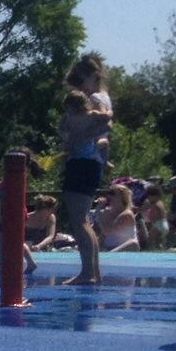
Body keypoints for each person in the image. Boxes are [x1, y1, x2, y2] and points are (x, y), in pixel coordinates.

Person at [58, 88, 113, 284]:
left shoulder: (70, 118)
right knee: (83, 222)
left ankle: (87, 273)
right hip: (91, 167)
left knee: (78, 221)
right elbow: (108, 119)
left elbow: (65, 136)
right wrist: (91, 132)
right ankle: (93, 273)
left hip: (80, 166)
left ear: (70, 106)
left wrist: (81, 136)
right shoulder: (92, 116)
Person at [96, 184, 140, 252]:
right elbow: (103, 236)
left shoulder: (127, 214)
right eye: (108, 193)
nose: (108, 196)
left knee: (133, 243)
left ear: (122, 197)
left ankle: (109, 255)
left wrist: (98, 211)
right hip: (109, 247)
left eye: (112, 193)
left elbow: (106, 231)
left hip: (125, 246)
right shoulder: (108, 212)